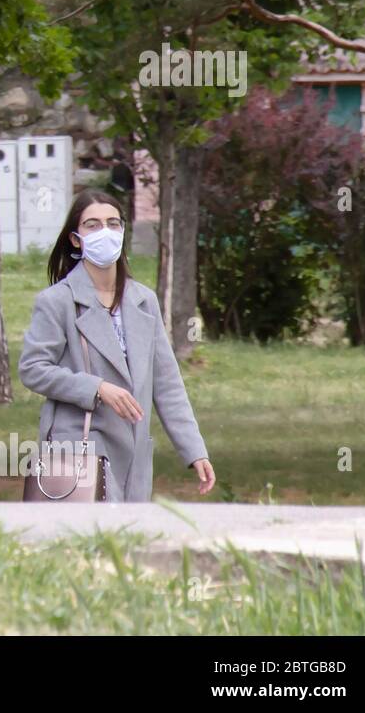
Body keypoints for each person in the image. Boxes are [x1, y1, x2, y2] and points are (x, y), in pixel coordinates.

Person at [17, 189, 216, 502]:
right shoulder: (58, 301)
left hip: (133, 451)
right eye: (92, 225)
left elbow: (166, 383)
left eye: (113, 223)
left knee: (127, 544)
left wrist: (194, 450)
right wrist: (96, 388)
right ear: (75, 239)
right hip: (80, 446)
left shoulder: (143, 301)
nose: (104, 232)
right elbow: (32, 369)